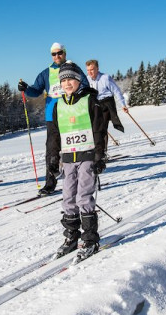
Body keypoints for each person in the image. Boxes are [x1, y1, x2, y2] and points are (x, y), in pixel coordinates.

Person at [50, 61, 106, 262]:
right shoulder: (59, 105)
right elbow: (55, 134)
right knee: (67, 197)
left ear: (79, 80)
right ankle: (71, 237)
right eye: (63, 80)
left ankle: (90, 240)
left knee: (83, 196)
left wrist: (100, 155)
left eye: (70, 79)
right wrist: (53, 157)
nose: (66, 83)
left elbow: (99, 130)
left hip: (87, 155)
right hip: (68, 158)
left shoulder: (90, 100)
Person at [19, 43, 89, 196]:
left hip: (71, 114)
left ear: (65, 53)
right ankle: (50, 183)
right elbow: (36, 90)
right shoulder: (46, 73)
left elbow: (85, 85)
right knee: (51, 149)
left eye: (60, 53)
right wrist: (25, 88)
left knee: (74, 147)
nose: (57, 56)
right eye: (54, 54)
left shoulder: (73, 68)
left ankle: (80, 180)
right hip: (53, 114)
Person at [85, 59, 128, 153]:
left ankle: (102, 152)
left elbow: (116, 91)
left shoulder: (105, 78)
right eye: (88, 70)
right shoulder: (87, 79)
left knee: (102, 128)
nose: (90, 72)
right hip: (95, 104)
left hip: (106, 103)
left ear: (97, 68)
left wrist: (123, 105)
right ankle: (95, 150)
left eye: (92, 69)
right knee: (93, 127)